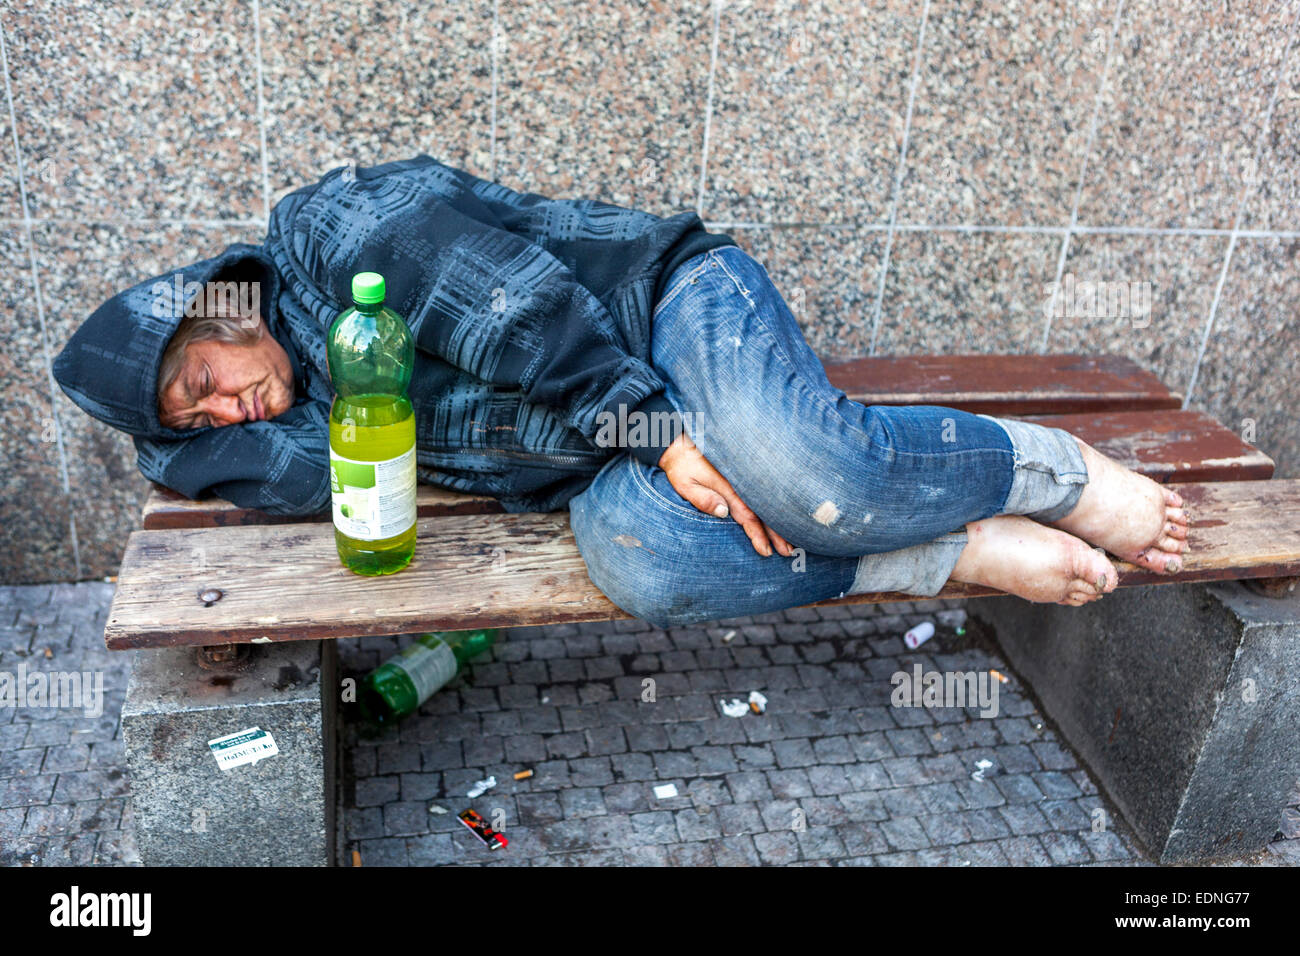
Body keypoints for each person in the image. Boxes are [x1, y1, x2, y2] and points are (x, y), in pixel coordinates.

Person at [53, 156, 1188, 627]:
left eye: (205, 376)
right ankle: (950, 549)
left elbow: (500, 303)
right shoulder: (300, 413)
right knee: (652, 566)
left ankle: (1054, 468)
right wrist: (189, 437)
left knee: (809, 470)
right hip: (604, 456)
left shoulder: (319, 230)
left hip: (664, 311)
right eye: (196, 419)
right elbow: (292, 476)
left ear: (217, 302)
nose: (225, 409)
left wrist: (651, 425)